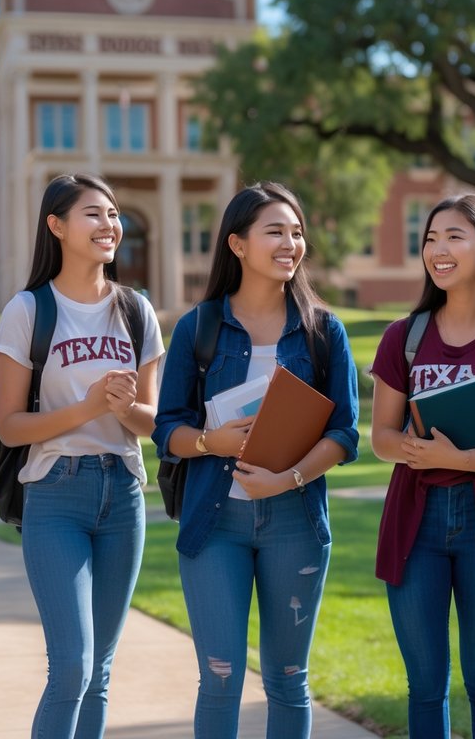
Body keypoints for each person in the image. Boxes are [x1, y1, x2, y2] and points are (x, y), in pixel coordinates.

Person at [153, 182, 359, 738]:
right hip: (213, 523)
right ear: (238, 244)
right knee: (219, 676)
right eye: (275, 231)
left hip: (294, 522)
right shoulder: (199, 327)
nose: (290, 243)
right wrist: (208, 443)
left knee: (289, 678)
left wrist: (287, 478)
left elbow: (344, 431)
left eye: (296, 233)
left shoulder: (322, 330)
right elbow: (166, 426)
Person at [0, 172, 164, 739]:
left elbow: (152, 422)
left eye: (114, 214)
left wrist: (122, 409)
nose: (109, 224)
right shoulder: (28, 310)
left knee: (101, 672)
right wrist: (90, 407)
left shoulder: (136, 311)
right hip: (55, 493)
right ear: (56, 225)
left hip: (123, 492)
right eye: (93, 214)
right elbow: (11, 427)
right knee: (72, 666)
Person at [370, 192, 475, 739]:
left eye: (454, 237)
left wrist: (458, 458)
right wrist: (421, 452)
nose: (438, 250)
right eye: (430, 239)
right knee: (425, 684)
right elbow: (380, 438)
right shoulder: (406, 336)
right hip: (415, 519)